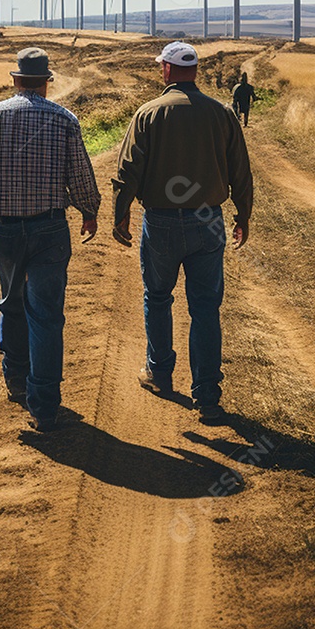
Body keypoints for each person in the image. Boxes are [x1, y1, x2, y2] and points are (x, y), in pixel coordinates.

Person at [0, 47, 99, 432]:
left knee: (12, 300)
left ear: (15, 79)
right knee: (46, 315)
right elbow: (79, 174)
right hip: (49, 227)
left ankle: (15, 378)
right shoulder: (64, 119)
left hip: (4, 228)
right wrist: (89, 210)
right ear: (46, 82)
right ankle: (45, 405)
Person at [112, 41, 253, 424]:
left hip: (160, 221)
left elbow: (128, 171)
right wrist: (243, 215)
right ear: (194, 70)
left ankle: (159, 374)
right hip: (208, 221)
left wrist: (120, 213)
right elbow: (241, 170)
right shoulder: (222, 114)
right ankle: (207, 394)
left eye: (162, 66)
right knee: (205, 307)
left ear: (168, 70)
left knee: (157, 297)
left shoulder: (148, 114)